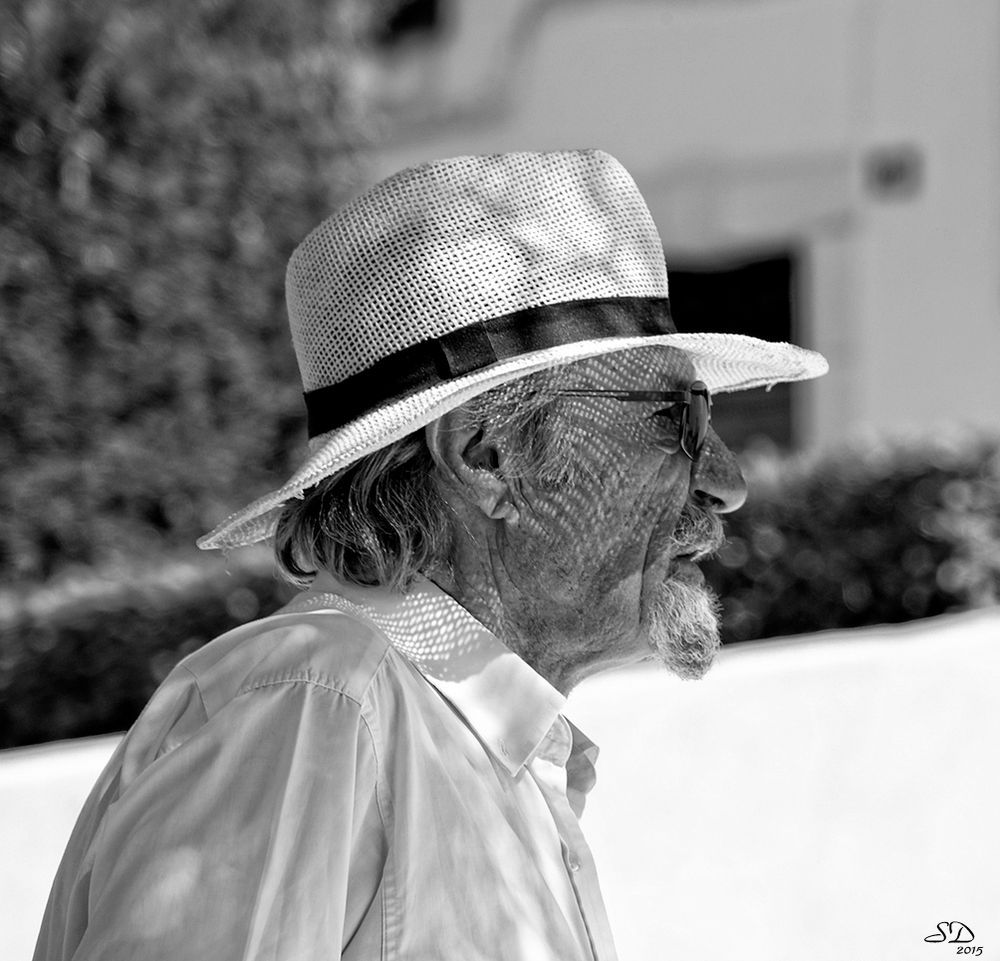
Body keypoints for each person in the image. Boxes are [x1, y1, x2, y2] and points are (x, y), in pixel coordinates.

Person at [34, 149, 827, 961]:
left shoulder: (472, 748)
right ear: (487, 457)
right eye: (674, 418)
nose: (726, 480)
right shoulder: (319, 700)